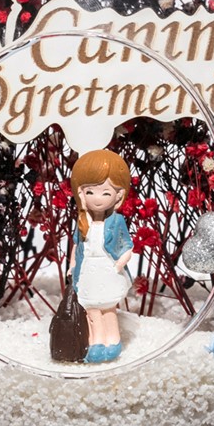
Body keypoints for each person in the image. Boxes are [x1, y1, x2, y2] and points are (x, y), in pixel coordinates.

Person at [68, 149, 135, 364]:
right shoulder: (83, 222)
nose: (97, 199)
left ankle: (113, 341)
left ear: (118, 195)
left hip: (107, 269)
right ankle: (96, 343)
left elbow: (128, 246)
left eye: (105, 193)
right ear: (81, 193)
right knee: (91, 310)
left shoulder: (116, 221)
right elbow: (77, 246)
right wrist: (72, 265)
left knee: (108, 309)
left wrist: (119, 264)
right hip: (88, 271)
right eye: (90, 192)